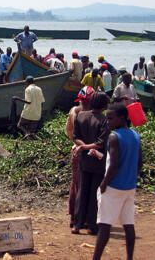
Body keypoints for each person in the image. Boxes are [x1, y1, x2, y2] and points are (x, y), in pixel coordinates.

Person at [93, 103, 143, 260]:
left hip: (113, 187)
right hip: (129, 187)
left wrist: (104, 183)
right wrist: (131, 177)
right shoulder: (135, 135)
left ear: (122, 118)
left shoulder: (114, 137)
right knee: (128, 224)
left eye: (110, 118)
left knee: (104, 226)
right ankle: (129, 258)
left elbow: (113, 165)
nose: (107, 122)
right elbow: (140, 163)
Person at [72, 91, 110, 235]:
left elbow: (76, 137)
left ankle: (77, 224)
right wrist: (88, 147)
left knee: (82, 191)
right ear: (104, 105)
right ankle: (91, 225)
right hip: (98, 161)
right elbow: (100, 143)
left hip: (84, 160)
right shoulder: (104, 120)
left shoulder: (81, 116)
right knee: (95, 192)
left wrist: (83, 146)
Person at [65, 86, 95, 229]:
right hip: (92, 152)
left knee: (76, 183)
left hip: (77, 150)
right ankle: (86, 219)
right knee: (89, 184)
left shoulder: (74, 111)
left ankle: (74, 217)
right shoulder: (95, 114)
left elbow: (69, 131)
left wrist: (76, 143)